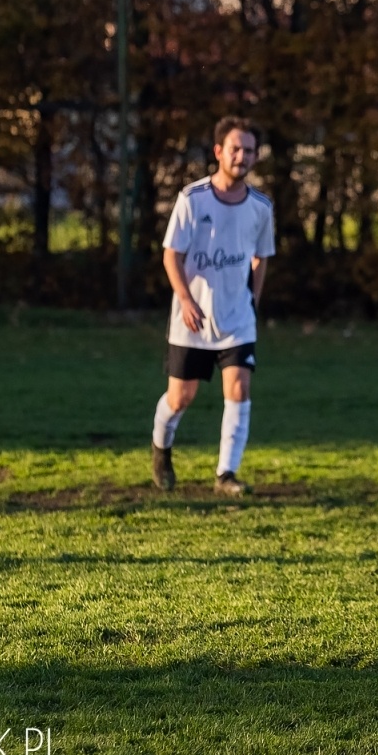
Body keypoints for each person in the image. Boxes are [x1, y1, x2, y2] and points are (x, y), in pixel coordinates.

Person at [149, 116, 275, 497]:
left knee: (238, 388)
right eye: (235, 149)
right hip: (192, 320)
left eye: (249, 151)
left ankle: (226, 474)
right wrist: (186, 300)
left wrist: (252, 301)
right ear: (219, 152)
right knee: (180, 398)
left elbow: (261, 258)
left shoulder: (261, 207)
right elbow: (171, 255)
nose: (242, 156)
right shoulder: (193, 199)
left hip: (237, 320)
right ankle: (161, 448)